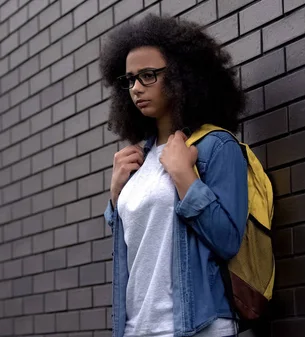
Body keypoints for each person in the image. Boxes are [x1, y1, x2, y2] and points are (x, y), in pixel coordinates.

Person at [100, 14, 249, 337]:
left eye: (148, 75)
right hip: (136, 328)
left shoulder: (215, 147)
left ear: (184, 76)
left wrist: (186, 178)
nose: (136, 88)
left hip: (197, 326)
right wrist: (115, 198)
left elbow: (228, 241)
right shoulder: (139, 158)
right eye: (130, 80)